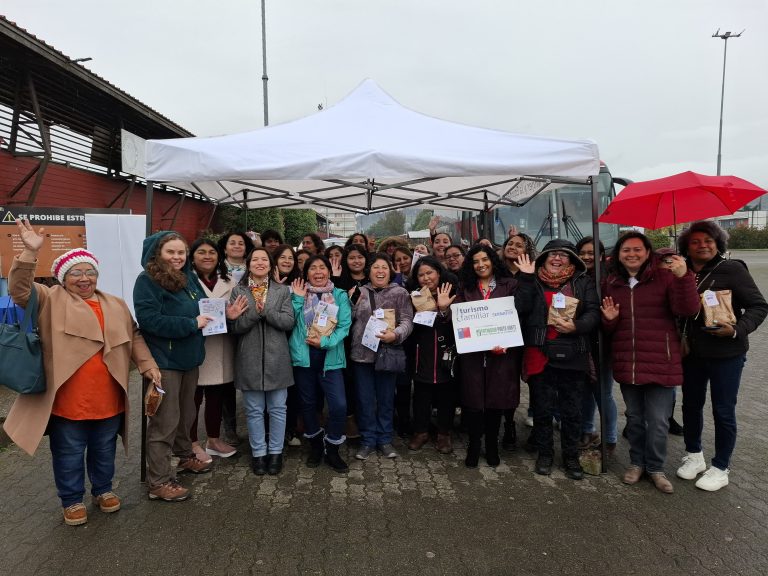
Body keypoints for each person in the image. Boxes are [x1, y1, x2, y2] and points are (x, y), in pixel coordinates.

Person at [5, 220, 160, 526]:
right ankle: (72, 499)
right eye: (76, 273)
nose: (84, 278)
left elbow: (134, 336)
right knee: (69, 453)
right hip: (67, 400)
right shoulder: (48, 299)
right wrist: (28, 252)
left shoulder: (115, 304)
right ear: (63, 278)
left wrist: (148, 366)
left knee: (104, 449)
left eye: (89, 272)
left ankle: (102, 490)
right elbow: (19, 289)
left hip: (109, 397)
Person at [600, 232, 700, 493]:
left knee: (658, 421)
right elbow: (608, 329)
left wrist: (684, 276)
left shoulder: (666, 277)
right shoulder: (611, 282)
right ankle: (636, 463)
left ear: (647, 253)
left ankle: (655, 468)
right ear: (618, 255)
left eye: (637, 250)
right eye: (626, 250)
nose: (631, 255)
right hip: (628, 361)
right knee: (634, 418)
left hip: (661, 360)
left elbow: (687, 310)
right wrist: (609, 319)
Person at [675, 221, 768, 491]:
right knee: (690, 405)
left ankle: (721, 467)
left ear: (718, 243)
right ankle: (694, 456)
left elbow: (759, 306)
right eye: (695, 241)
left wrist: (737, 329)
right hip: (691, 352)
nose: (703, 245)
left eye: (708, 240)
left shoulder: (731, 269)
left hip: (726, 353)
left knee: (723, 410)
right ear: (686, 246)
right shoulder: (682, 271)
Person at [133, 231, 215, 502]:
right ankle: (158, 482)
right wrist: (191, 324)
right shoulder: (147, 281)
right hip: (164, 363)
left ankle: (184, 458)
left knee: (186, 415)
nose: (177, 257)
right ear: (158, 253)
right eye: (171, 252)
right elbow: (149, 321)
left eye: (181, 252)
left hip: (189, 359)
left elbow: (201, 307)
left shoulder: (188, 277)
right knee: (164, 423)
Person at [514, 240, 600, 480]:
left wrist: (577, 325)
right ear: (544, 258)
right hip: (539, 354)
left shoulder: (582, 282)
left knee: (572, 411)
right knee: (542, 409)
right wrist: (527, 279)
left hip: (573, 353)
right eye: (553, 254)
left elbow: (593, 312)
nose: (557, 258)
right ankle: (545, 454)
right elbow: (519, 308)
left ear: (572, 260)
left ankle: (571, 456)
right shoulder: (532, 279)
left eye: (564, 255)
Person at [229, 247, 295, 476]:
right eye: (255, 259)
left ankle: (276, 453)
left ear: (271, 264)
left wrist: (265, 311)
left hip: (278, 358)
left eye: (264, 259)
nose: (259, 263)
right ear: (248, 264)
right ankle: (259, 453)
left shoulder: (281, 291)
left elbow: (288, 322)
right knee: (254, 410)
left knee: (278, 408)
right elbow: (235, 328)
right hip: (249, 358)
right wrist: (249, 316)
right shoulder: (238, 291)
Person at [456, 245, 523, 468]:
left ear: (493, 261)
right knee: (474, 402)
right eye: (475, 261)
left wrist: (505, 342)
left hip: (501, 354)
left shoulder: (510, 285)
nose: (481, 265)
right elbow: (458, 320)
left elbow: (517, 317)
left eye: (485, 259)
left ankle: (492, 444)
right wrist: (447, 309)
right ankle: (474, 445)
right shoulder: (465, 287)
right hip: (473, 356)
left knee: (496, 401)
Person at [290, 255, 353, 472]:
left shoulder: (339, 295)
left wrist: (325, 342)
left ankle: (332, 446)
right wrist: (297, 299)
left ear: (329, 271)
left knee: (339, 405)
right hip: (304, 358)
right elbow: (289, 321)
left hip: (330, 358)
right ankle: (316, 444)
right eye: (313, 268)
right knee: (307, 404)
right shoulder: (297, 292)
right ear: (305, 273)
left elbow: (344, 326)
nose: (318, 272)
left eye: (322, 267)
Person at [350, 253, 414, 460]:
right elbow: (347, 319)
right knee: (365, 400)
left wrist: (395, 334)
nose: (380, 271)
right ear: (369, 271)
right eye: (376, 267)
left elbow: (407, 320)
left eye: (384, 268)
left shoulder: (400, 293)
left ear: (390, 271)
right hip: (362, 354)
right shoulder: (359, 292)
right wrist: (350, 302)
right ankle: (368, 440)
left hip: (387, 353)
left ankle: (385, 439)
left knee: (386, 399)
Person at [189, 238, 247, 462]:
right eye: (201, 252)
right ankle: (191, 442)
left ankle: (213, 439)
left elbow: (238, 309)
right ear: (192, 257)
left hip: (222, 345)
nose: (207, 256)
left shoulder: (230, 281)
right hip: (196, 345)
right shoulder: (186, 281)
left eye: (211, 252)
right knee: (193, 397)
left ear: (218, 256)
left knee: (216, 395)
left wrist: (232, 316)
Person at [405, 257, 457, 453]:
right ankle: (421, 432)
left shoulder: (452, 292)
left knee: (447, 396)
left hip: (447, 354)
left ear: (438, 272)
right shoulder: (413, 296)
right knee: (421, 395)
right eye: (421, 274)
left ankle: (444, 434)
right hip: (422, 353)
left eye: (430, 273)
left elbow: (456, 324)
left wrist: (443, 310)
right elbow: (411, 326)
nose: (426, 278)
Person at [575, 236, 618, 453]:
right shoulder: (576, 277)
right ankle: (587, 430)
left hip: (603, 343)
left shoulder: (609, 278)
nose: (586, 257)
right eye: (582, 253)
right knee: (585, 391)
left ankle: (610, 438)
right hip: (581, 342)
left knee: (603, 392)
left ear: (601, 255)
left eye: (591, 253)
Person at [499, 233, 537, 450]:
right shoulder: (495, 271)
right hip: (501, 335)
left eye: (519, 245)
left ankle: (537, 424)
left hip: (526, 335)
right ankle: (509, 422)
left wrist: (527, 276)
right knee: (508, 382)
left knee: (533, 381)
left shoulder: (532, 273)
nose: (513, 247)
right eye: (510, 243)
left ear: (526, 251)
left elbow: (527, 305)